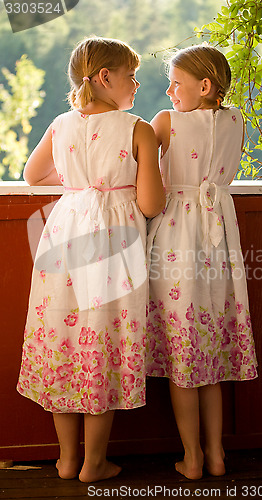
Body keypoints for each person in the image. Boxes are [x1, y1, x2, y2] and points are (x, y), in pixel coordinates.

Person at [17, 36, 165, 483]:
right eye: (131, 75)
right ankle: (94, 462)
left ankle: (65, 460)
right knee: (102, 345)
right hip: (112, 244)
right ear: (106, 78)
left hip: (64, 236)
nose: (137, 83)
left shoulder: (62, 123)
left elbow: (32, 175)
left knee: (63, 340)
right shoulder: (137, 127)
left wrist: (80, 182)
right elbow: (152, 203)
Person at [146, 44, 258, 480]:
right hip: (221, 239)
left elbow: (138, 169)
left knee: (183, 353)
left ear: (205, 85)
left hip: (178, 235)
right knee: (208, 355)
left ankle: (191, 457)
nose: (170, 91)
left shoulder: (166, 122)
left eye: (176, 83)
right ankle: (216, 454)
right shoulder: (236, 121)